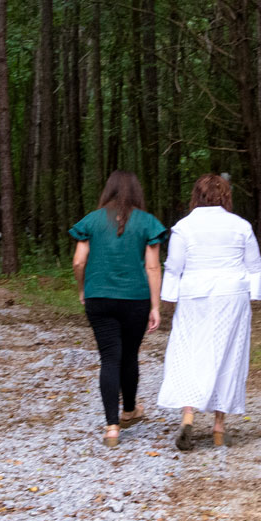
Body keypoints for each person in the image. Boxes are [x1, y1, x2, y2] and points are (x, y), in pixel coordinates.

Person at [156, 173, 261, 450]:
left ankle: (188, 415)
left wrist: (167, 301)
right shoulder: (240, 226)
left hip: (194, 295)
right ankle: (219, 428)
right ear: (225, 196)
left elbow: (174, 267)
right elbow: (254, 266)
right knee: (228, 355)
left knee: (188, 351)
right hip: (230, 296)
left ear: (196, 196)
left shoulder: (183, 227)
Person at [69, 171, 166, 448]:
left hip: (99, 296)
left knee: (110, 358)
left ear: (108, 190)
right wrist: (156, 306)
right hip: (135, 298)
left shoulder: (91, 220)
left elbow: (78, 262)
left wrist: (82, 289)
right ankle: (129, 410)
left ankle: (112, 427)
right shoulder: (147, 223)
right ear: (136, 191)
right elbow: (152, 267)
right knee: (130, 355)